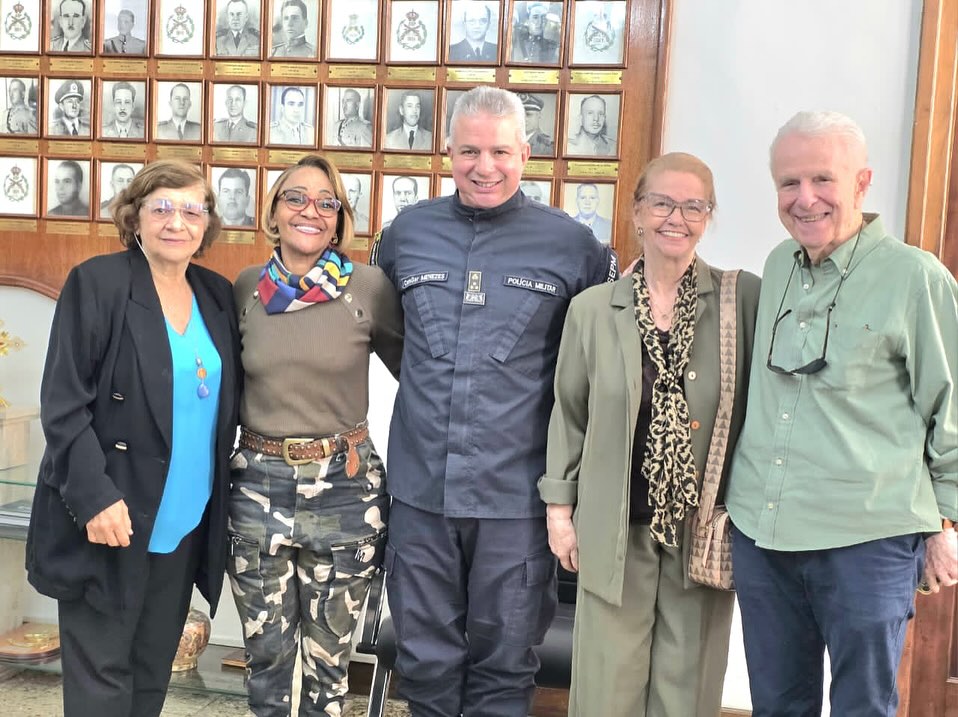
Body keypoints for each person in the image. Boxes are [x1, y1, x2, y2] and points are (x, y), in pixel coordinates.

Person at [373, 85, 618, 717]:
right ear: (447, 152)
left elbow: (593, 367)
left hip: (516, 500)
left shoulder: (575, 247)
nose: (485, 167)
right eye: (469, 151)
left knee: (506, 666)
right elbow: (393, 340)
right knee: (423, 663)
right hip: (421, 493)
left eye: (500, 152)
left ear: (525, 154)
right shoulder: (406, 234)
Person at [726, 110, 958, 716]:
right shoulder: (779, 264)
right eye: (789, 183)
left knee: (862, 707)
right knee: (776, 705)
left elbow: (952, 406)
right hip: (763, 532)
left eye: (822, 179)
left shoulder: (915, 277)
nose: (805, 199)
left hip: (867, 540)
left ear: (862, 183)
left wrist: (948, 526)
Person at [539, 152, 760, 717]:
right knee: (606, 688)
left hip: (700, 532)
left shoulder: (741, 301)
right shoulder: (592, 309)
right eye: (662, 203)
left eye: (693, 206)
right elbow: (570, 413)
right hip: (613, 527)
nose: (675, 218)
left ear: (709, 216)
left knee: (688, 687)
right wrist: (560, 513)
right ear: (637, 211)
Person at [26, 159, 241, 717]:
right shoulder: (98, 283)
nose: (177, 221)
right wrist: (95, 498)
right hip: (112, 517)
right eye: (161, 207)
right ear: (135, 216)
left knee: (150, 678)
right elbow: (64, 404)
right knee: (102, 685)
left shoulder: (216, 294)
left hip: (184, 521)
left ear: (207, 222)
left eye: (192, 209)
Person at [229, 154, 402, 715]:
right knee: (266, 661)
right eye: (296, 198)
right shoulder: (247, 288)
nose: (311, 211)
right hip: (258, 487)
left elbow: (419, 376)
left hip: (345, 489)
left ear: (340, 219)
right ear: (273, 212)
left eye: (328, 203)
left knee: (330, 667)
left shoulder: (368, 289)